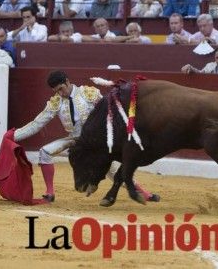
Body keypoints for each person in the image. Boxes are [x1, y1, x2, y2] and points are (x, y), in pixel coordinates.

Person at [13, 70, 159, 202]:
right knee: (45, 152)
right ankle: (50, 193)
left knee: (113, 170)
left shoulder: (89, 93)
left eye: (61, 89)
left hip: (95, 144)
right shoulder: (56, 102)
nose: (60, 93)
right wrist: (13, 136)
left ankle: (144, 193)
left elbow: (109, 113)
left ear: (67, 82)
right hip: (75, 140)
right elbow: (37, 123)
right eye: (56, 91)